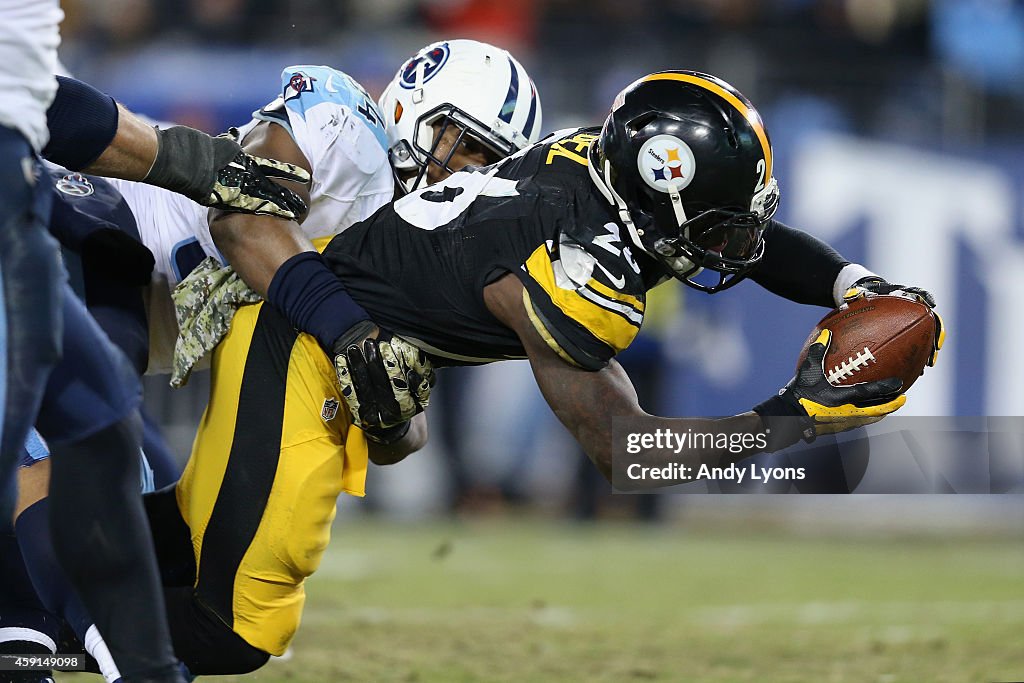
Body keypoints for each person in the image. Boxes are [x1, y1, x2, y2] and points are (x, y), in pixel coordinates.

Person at [8, 39, 543, 678]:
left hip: (129, 300)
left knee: (148, 512)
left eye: (490, 164)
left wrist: (391, 411)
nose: (466, 175)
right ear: (417, 109)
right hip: (95, 230)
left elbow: (399, 426)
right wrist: (350, 334)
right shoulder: (352, 132)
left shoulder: (422, 260)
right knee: (86, 460)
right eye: (468, 146)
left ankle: (25, 646)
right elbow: (248, 215)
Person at [0, 3, 306, 681]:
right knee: (86, 459)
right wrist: (191, 163)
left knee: (104, 455)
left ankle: (28, 654)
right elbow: (55, 113)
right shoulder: (117, 210)